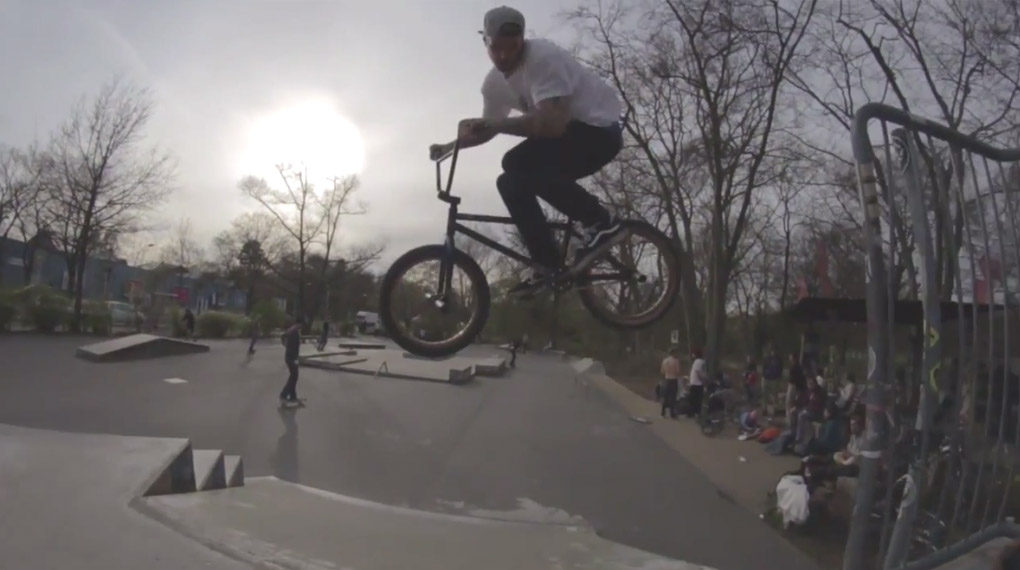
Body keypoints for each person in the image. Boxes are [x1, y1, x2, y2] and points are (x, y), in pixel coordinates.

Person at [429, 6, 627, 297]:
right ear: (486, 43)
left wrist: (495, 124)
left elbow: (552, 125)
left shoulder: (543, 58)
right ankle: (546, 265)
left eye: (512, 48)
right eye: (497, 48)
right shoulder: (494, 85)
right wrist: (450, 146)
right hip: (569, 137)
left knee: (518, 163)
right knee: (509, 179)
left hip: (599, 133)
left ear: (523, 40)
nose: (505, 56)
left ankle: (600, 221)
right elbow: (490, 128)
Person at [280, 316, 303, 404]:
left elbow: (283, 336)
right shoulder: (294, 331)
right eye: (301, 325)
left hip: (289, 356)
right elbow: (294, 347)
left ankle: (293, 396)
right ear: (299, 323)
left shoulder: (292, 330)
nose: (302, 327)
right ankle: (283, 394)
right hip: (291, 357)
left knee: (294, 376)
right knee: (294, 376)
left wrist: (285, 344)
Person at [660, 346, 682, 419]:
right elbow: (678, 371)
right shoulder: (676, 361)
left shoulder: (665, 361)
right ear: (673, 353)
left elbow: (662, 371)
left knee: (666, 396)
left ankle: (663, 412)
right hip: (673, 379)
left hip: (667, 379)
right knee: (673, 397)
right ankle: (672, 413)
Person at [687, 348, 708, 418]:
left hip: (696, 382)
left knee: (694, 399)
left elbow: (698, 372)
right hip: (696, 382)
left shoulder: (698, 362)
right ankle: (695, 412)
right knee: (697, 398)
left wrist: (702, 380)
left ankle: (693, 413)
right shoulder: (701, 361)